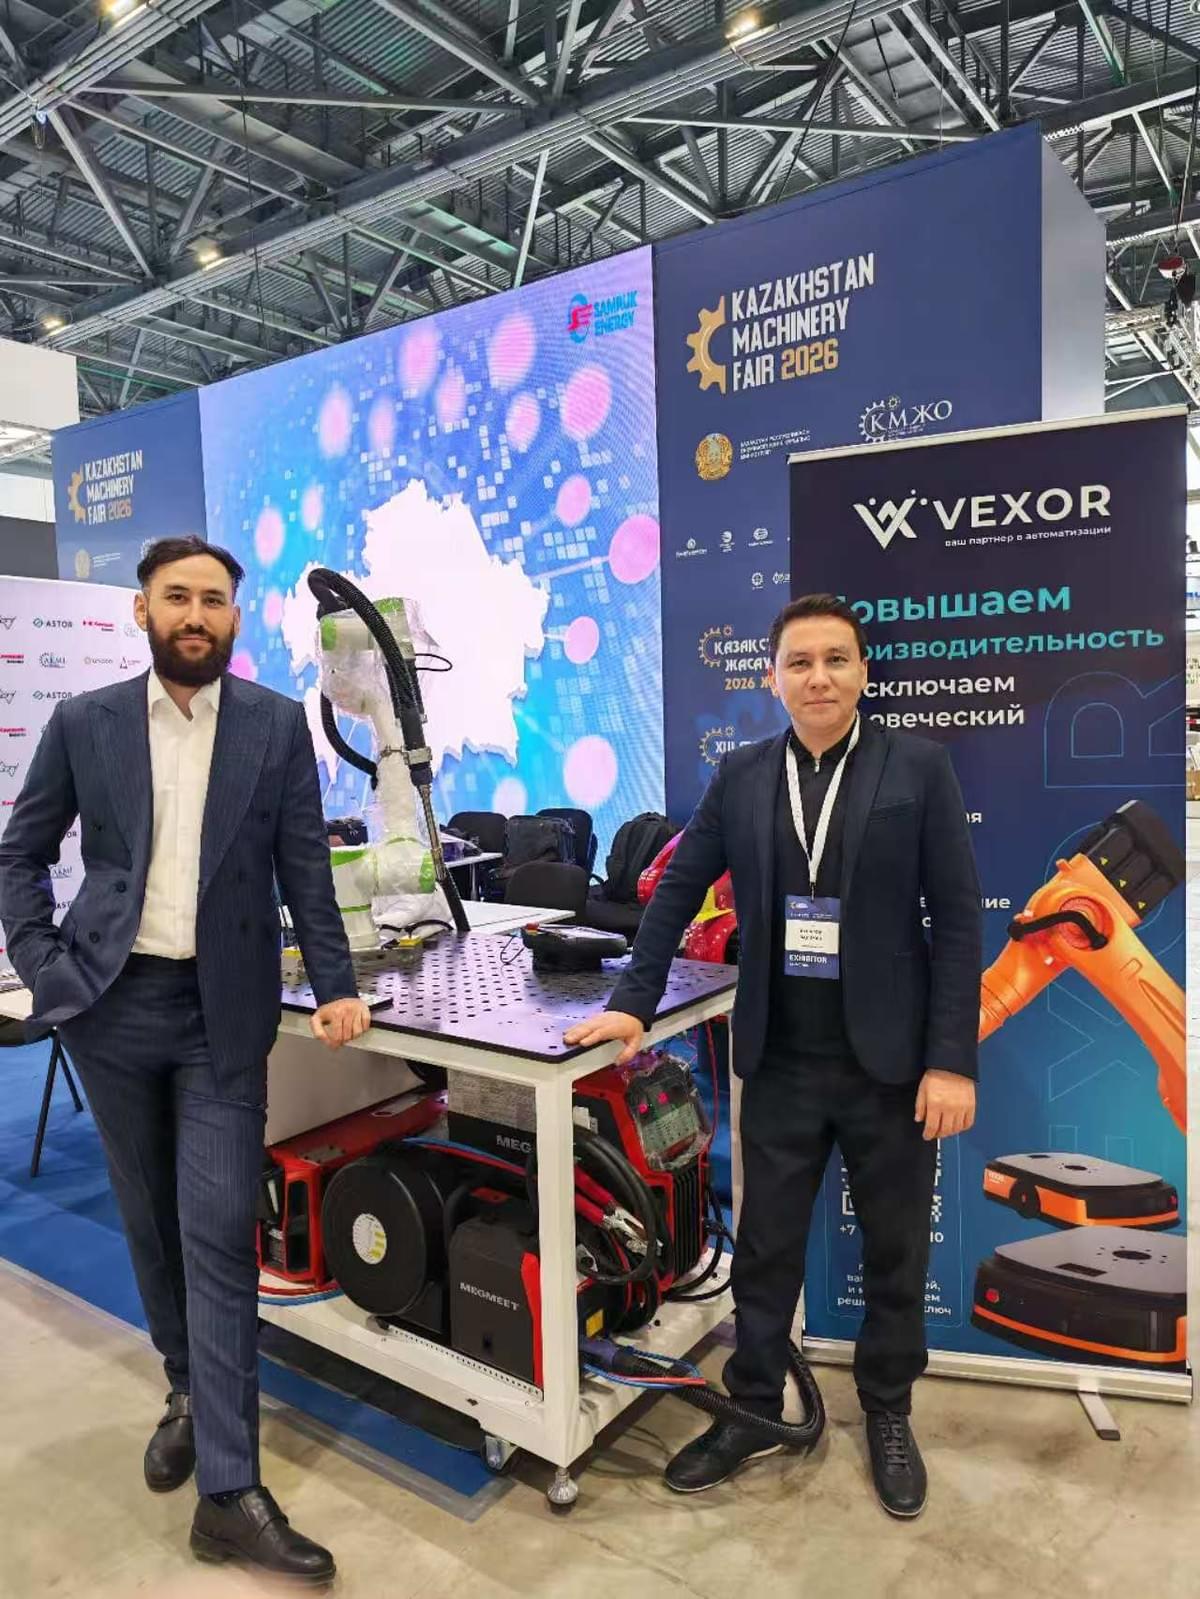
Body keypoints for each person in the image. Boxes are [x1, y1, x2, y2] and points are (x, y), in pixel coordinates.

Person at [0, 536, 370, 1585]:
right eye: (177, 597)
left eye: (213, 599)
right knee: (150, 1222)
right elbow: (20, 852)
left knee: (216, 1231)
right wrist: (45, 965)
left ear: (234, 619)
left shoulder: (273, 726)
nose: (196, 614)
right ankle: (186, 1393)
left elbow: (305, 867)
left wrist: (336, 982)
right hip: (110, 1007)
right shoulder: (85, 722)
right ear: (144, 610)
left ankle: (228, 1492)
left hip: (222, 1016)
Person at [565, 593, 981, 1519]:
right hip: (782, 1058)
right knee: (764, 1248)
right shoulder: (744, 774)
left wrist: (952, 1059)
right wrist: (631, 1005)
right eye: (800, 662)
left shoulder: (918, 767)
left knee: (896, 1248)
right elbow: (677, 888)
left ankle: (887, 1408)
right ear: (774, 677)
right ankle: (754, 1405)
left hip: (891, 1067)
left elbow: (957, 919)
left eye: (836, 659)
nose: (818, 677)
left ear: (863, 671)